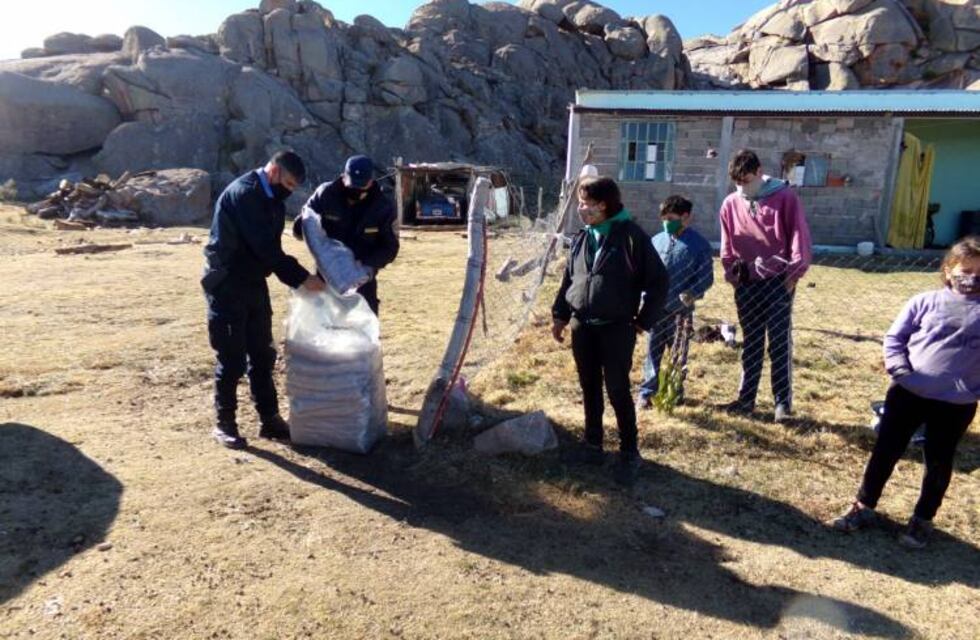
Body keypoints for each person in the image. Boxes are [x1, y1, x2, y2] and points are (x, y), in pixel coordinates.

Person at [830, 237, 979, 549]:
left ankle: (923, 519)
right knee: (886, 450)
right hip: (908, 393)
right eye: (966, 270)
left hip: (956, 404)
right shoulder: (924, 301)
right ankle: (864, 505)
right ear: (949, 269)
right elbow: (895, 338)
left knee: (938, 461)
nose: (972, 278)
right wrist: (900, 370)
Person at [202, 151, 326, 449]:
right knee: (231, 358)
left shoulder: (270, 197)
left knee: (262, 353)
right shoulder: (246, 195)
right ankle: (225, 423)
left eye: (294, 186)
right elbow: (266, 250)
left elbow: (270, 248)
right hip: (227, 284)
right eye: (288, 183)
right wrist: (302, 279)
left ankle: (269, 419)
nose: (290, 190)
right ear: (274, 172)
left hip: (254, 283)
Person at [552, 176, 669, 486]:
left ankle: (629, 452)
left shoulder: (631, 237)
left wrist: (644, 320)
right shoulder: (582, 237)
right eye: (580, 203)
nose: (580, 209)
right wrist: (560, 316)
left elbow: (658, 282)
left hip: (617, 328)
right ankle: (593, 445)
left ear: (603, 205)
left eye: (585, 203)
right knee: (589, 386)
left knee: (617, 389)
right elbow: (570, 280)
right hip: (582, 326)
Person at [719, 149, 812, 423]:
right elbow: (727, 243)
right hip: (747, 281)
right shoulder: (730, 203)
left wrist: (794, 274)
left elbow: (799, 235)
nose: (742, 187)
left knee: (779, 342)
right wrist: (733, 274)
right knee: (752, 342)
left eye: (747, 180)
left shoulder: (784, 197)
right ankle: (746, 399)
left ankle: (782, 403)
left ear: (759, 172)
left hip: (778, 281)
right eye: (738, 183)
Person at [293, 155, 399, 315]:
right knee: (326, 332)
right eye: (352, 185)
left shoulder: (383, 208)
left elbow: (390, 248)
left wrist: (365, 265)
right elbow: (301, 228)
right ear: (343, 176)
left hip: (362, 282)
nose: (355, 190)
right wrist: (302, 224)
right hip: (325, 280)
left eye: (360, 186)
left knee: (362, 335)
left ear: (371, 181)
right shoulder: (326, 194)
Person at [637, 195, 714, 410]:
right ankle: (647, 392)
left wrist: (693, 293)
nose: (666, 222)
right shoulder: (656, 240)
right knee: (653, 351)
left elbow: (706, 277)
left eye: (671, 218)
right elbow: (645, 271)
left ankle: (674, 391)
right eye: (664, 218)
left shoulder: (699, 246)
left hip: (680, 312)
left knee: (678, 353)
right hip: (655, 307)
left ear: (685, 217)